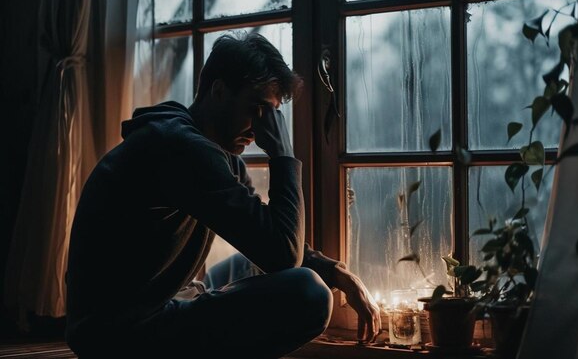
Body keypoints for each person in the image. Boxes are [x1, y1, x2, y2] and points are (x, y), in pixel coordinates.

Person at [65, 31, 381, 358]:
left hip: (166, 300)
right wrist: (283, 154)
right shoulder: (180, 148)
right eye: (257, 109)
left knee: (266, 265)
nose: (260, 130)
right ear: (219, 91)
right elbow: (282, 255)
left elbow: (265, 239)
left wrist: (335, 270)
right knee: (309, 293)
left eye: (270, 116)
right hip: (119, 334)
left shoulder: (212, 151)